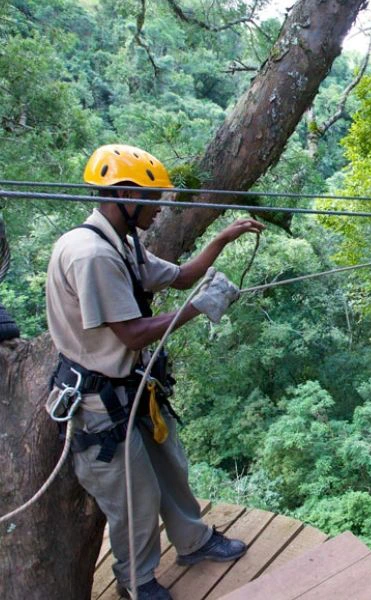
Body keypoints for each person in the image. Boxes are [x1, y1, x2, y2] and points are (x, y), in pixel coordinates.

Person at [45, 144, 265, 600]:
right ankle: (137, 581)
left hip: (132, 389)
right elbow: (132, 333)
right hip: (100, 402)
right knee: (134, 500)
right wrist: (198, 308)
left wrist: (221, 241)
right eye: (154, 198)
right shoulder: (93, 255)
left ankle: (193, 541)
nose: (161, 208)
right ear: (125, 196)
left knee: (171, 468)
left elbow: (182, 277)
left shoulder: (119, 243)